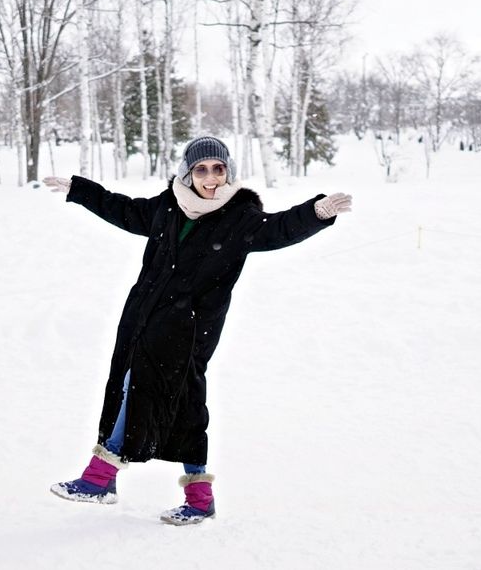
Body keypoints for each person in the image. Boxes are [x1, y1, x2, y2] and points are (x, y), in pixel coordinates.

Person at [43, 136, 351, 525]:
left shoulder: (240, 217)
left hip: (190, 329)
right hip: (143, 320)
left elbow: (279, 229)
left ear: (228, 172)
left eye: (218, 169)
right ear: (188, 173)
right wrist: (80, 190)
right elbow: (122, 209)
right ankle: (198, 497)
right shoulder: (168, 206)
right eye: (201, 169)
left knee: (145, 389)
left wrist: (317, 212)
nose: (210, 177)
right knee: (173, 399)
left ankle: (100, 477)